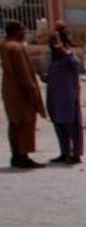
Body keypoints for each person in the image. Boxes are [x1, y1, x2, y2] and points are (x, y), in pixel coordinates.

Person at [1, 21, 45, 168]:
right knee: (25, 122)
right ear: (17, 31)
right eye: (22, 31)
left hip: (9, 90)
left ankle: (16, 155)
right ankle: (22, 156)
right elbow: (23, 73)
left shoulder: (4, 45)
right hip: (20, 92)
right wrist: (31, 89)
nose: (24, 33)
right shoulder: (16, 48)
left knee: (14, 123)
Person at [45, 27, 82, 164]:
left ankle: (76, 154)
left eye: (55, 40)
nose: (52, 43)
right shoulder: (53, 58)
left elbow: (76, 64)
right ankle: (64, 152)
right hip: (54, 97)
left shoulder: (69, 55)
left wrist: (63, 50)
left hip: (68, 97)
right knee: (59, 126)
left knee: (72, 126)